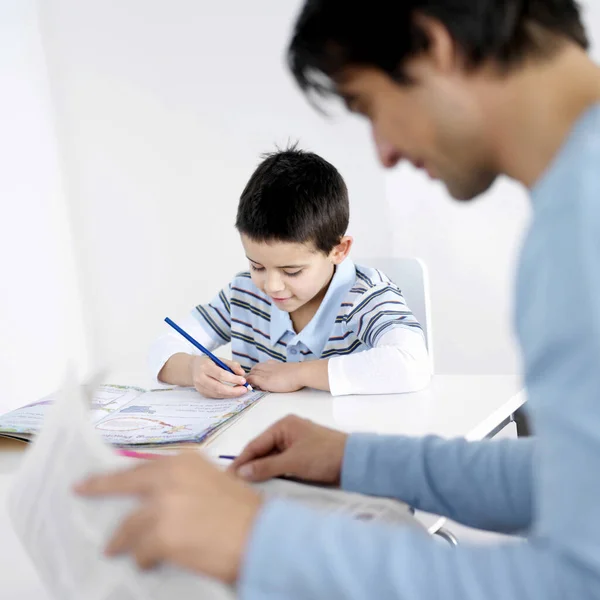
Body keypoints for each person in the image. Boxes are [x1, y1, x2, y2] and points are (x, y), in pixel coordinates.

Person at [77, 1, 600, 598]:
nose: (384, 154)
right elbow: (573, 485)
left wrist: (257, 541)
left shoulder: (577, 232)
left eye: (369, 106)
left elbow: (576, 584)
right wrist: (356, 460)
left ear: (435, 46)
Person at [149, 145, 430, 398]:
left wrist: (299, 373)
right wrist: (194, 369)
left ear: (339, 250)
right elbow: (163, 346)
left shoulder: (366, 296)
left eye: (292, 271)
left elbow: (412, 363)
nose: (271, 286)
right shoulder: (242, 293)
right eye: (257, 265)